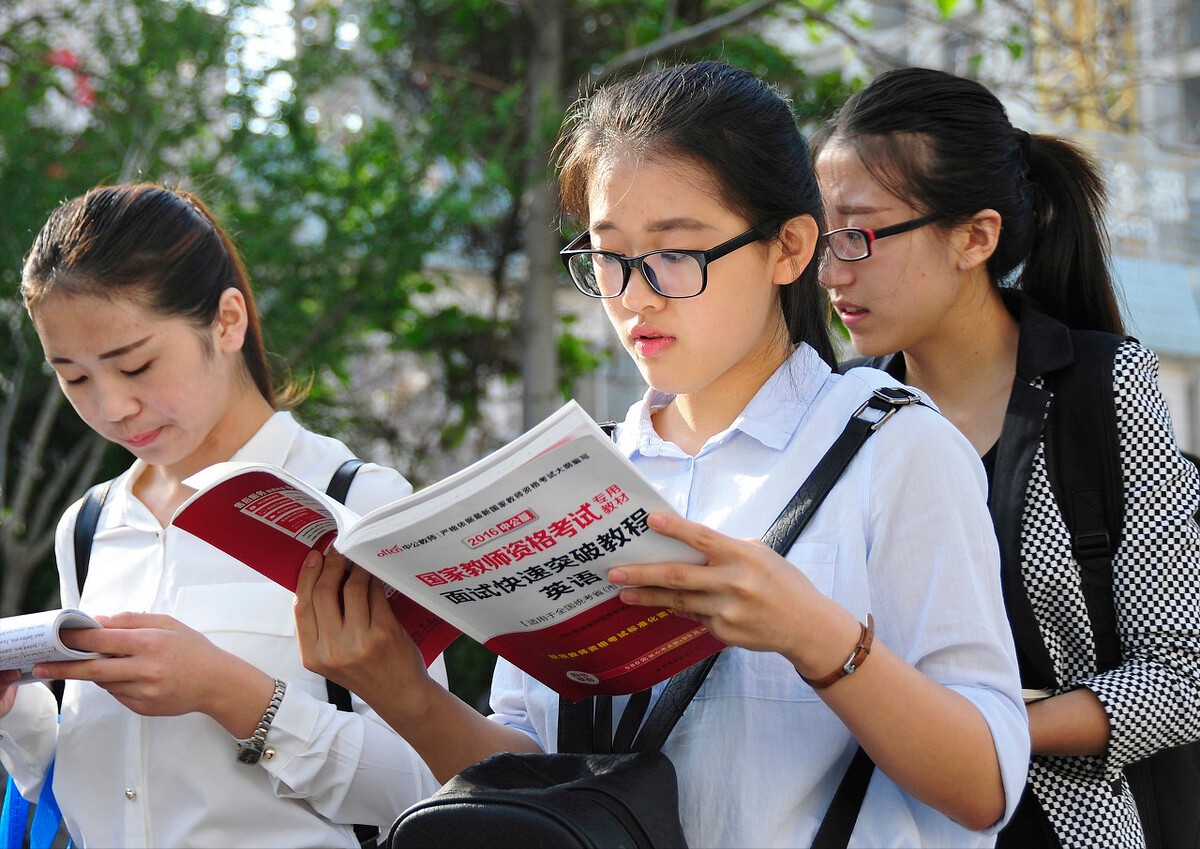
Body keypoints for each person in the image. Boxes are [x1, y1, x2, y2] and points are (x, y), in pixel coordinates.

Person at [294, 61, 1029, 848]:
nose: (634, 295)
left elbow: (985, 784)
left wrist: (816, 635)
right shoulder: (577, 476)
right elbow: (543, 782)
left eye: (675, 255)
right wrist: (401, 689)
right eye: (607, 257)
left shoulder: (894, 446)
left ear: (789, 247)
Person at [812, 67, 1200, 849]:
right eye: (821, 235)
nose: (831, 270)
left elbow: (1183, 674)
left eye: (859, 233)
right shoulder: (842, 412)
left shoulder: (1101, 386)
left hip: (1062, 824)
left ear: (975, 237)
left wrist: (982, 734)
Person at [0, 183, 448, 848]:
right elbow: (87, 788)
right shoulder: (91, 526)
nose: (111, 406)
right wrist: (15, 714)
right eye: (75, 377)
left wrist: (231, 693)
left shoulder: (353, 504)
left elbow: (431, 783)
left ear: (228, 321)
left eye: (136, 363)